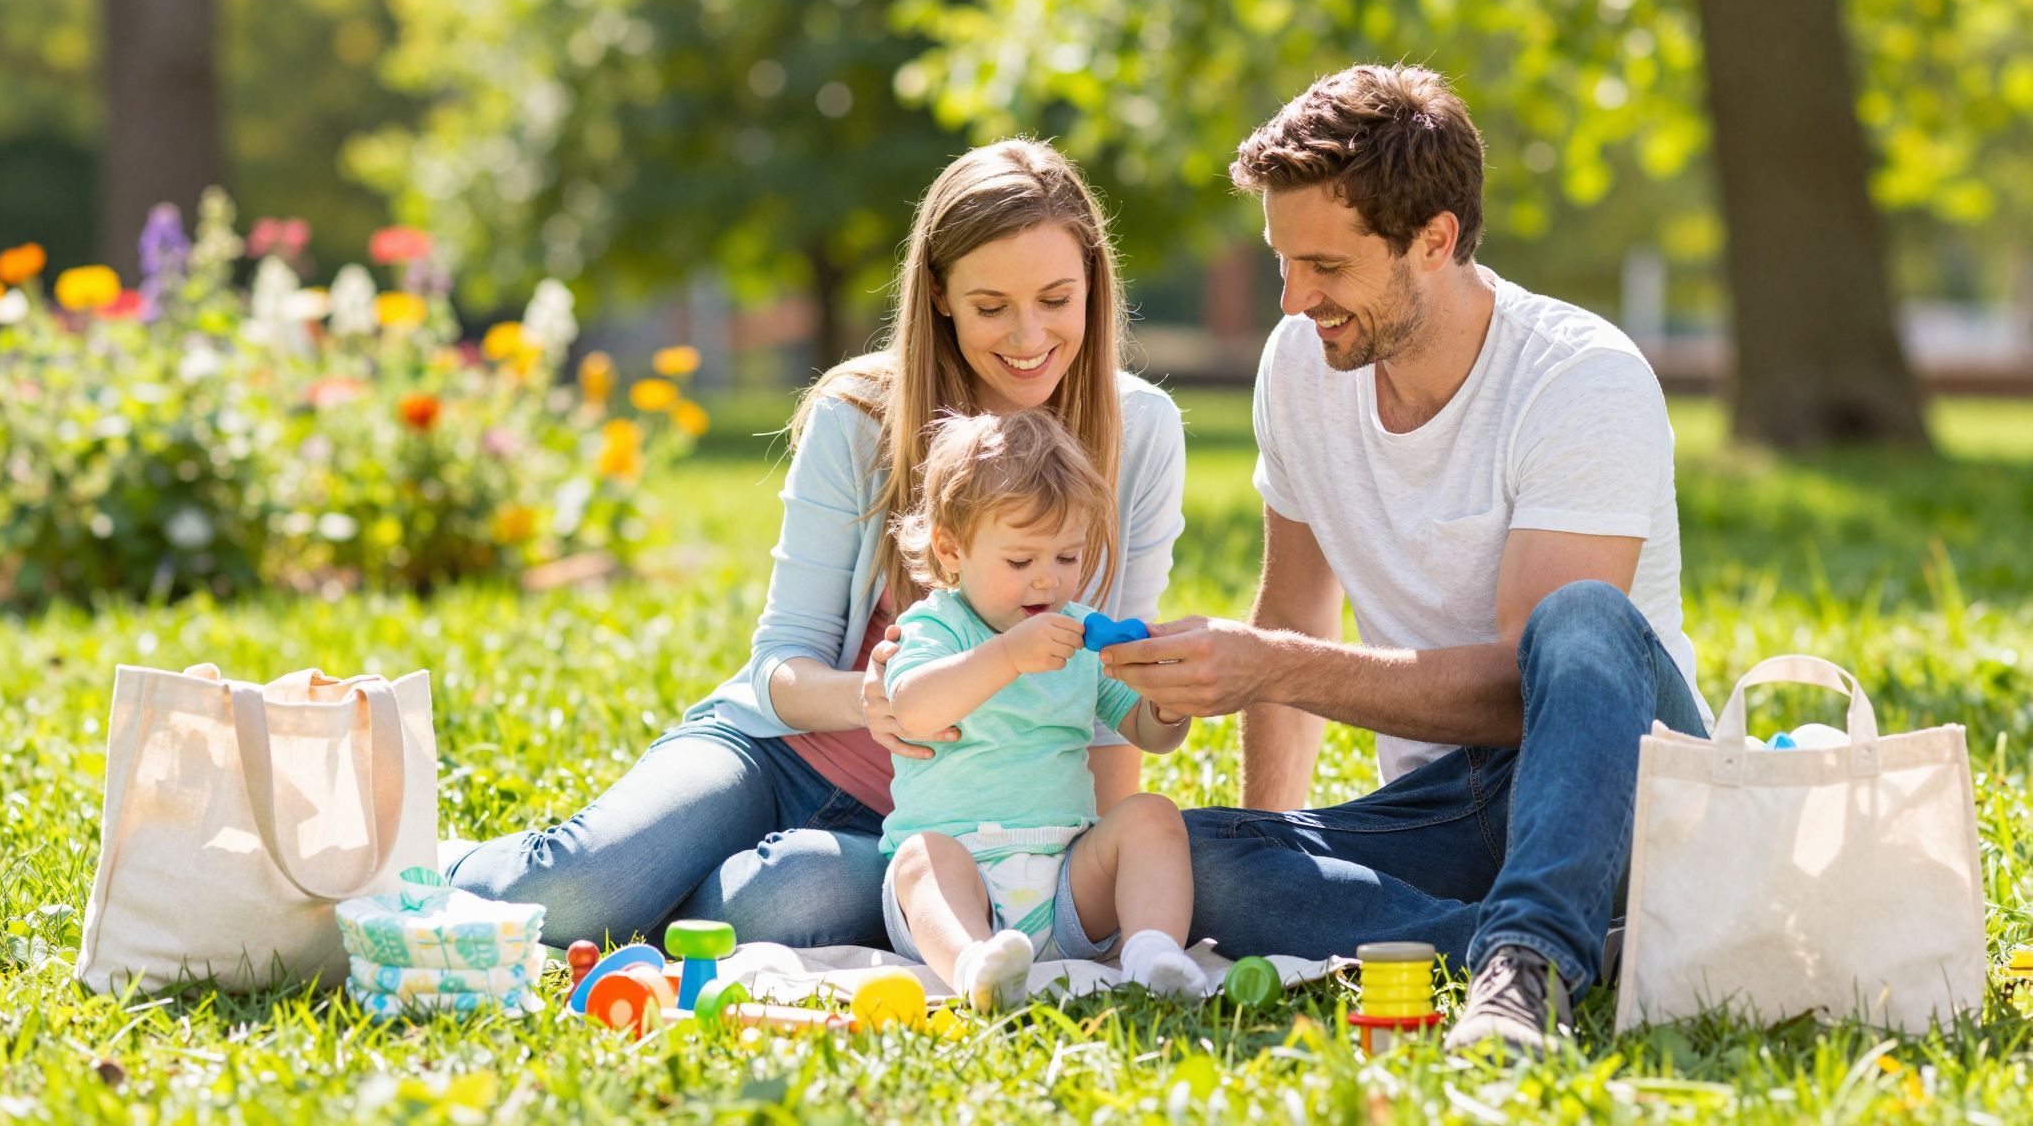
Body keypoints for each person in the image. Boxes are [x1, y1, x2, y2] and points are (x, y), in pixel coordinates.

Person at [1097, 65, 1713, 1056]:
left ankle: (1529, 973)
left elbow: (1526, 688)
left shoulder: (1578, 379)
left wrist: (1269, 663)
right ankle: (1540, 943)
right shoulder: (1301, 366)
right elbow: (1292, 611)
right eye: (1280, 263)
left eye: (1326, 269)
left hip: (1625, 782)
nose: (1295, 300)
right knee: (1184, 860)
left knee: (1580, 619)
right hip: (1448, 811)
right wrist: (1272, 846)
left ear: (1432, 239)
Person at [445, 139, 1186, 953]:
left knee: (777, 908)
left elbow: (1111, 692)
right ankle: (440, 873)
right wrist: (871, 703)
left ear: (1094, 284)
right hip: (773, 754)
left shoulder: (1138, 431)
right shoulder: (860, 414)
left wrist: (1100, 895)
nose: (1028, 336)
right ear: (938, 296)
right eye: (990, 306)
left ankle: (661, 891)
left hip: (922, 829)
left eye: (1056, 299)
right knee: (574, 891)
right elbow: (781, 664)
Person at [878, 410, 1201, 1011]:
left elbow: (1148, 734)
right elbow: (913, 709)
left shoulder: (1076, 635)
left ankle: (1153, 954)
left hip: (1068, 884)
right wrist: (1007, 656)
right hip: (963, 871)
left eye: (1068, 558)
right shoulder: (936, 625)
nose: (1046, 583)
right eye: (1020, 562)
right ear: (952, 550)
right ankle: (975, 966)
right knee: (919, 859)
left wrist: (1166, 703)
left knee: (1153, 817)